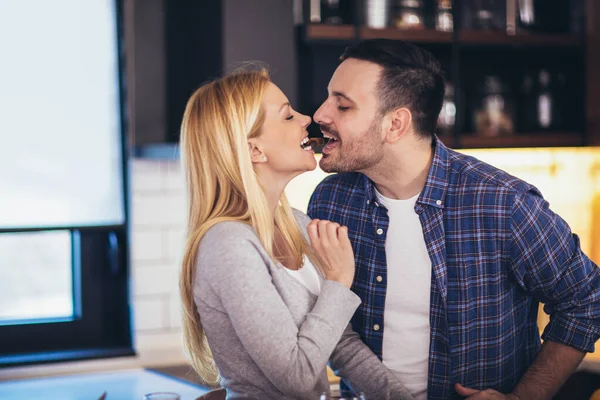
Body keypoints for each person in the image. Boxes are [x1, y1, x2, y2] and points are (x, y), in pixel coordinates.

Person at [307, 38, 600, 400]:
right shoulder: (330, 200)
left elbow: (586, 299)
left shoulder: (502, 204)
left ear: (395, 124)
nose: (319, 114)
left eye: (343, 105)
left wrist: (525, 397)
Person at [178, 68, 414, 400]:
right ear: (254, 150)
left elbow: (341, 345)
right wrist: (337, 281)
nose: (307, 118)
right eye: (287, 116)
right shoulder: (228, 244)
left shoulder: (296, 225)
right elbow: (296, 376)